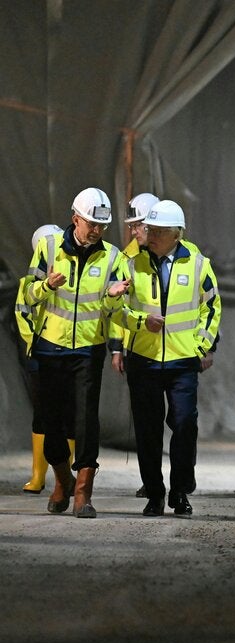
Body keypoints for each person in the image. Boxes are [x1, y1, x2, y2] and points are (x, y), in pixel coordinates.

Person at [104, 200, 221, 517]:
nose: (149, 234)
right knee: (147, 430)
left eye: (157, 230)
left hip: (183, 362)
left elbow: (212, 308)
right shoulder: (130, 264)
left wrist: (200, 346)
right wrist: (133, 317)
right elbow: (114, 312)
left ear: (176, 234)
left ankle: (180, 490)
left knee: (184, 424)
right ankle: (154, 494)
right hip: (144, 360)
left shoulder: (197, 263)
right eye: (148, 229)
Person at [24, 187, 124, 518]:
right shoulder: (48, 248)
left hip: (87, 348)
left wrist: (113, 295)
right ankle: (62, 477)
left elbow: (114, 309)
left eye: (102, 226)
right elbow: (28, 295)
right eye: (91, 223)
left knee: (85, 420)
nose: (97, 230)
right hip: (49, 347)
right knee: (50, 420)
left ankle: (83, 491)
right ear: (75, 219)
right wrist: (47, 286)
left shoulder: (113, 257)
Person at [16, 224, 73, 493]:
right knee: (43, 415)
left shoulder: (73, 280)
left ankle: (65, 478)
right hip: (41, 356)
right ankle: (38, 476)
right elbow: (23, 316)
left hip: (69, 354)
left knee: (69, 414)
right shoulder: (29, 284)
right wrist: (35, 347)